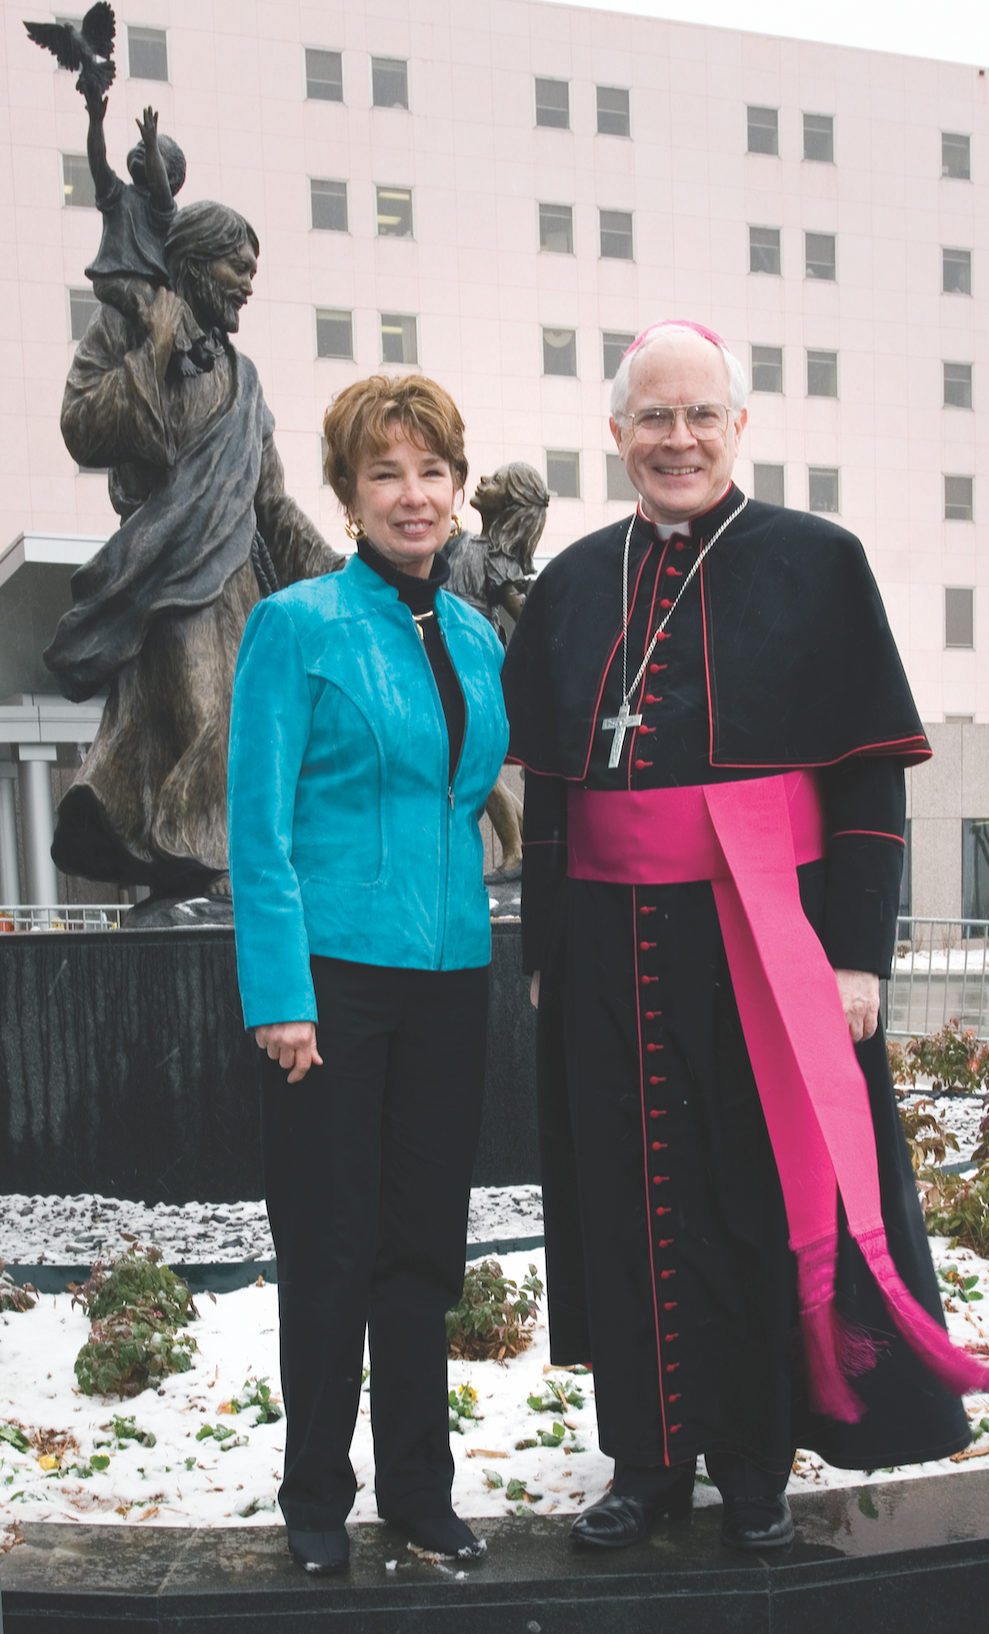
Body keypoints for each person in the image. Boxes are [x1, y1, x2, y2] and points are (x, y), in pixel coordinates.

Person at [501, 320, 989, 1554]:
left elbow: (870, 784)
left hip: (763, 944)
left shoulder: (815, 563)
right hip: (607, 945)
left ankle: (755, 1460)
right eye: (650, 419)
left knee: (747, 1195)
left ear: (737, 427)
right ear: (615, 433)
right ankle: (645, 1462)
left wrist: (860, 955)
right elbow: (553, 804)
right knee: (625, 1195)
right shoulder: (568, 585)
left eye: (697, 416)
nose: (675, 440)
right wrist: (545, 955)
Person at [227, 374, 509, 1575]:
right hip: (332, 985)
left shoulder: (478, 633)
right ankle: (311, 1499)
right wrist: (279, 991)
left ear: (455, 488)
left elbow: (480, 800)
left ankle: (418, 1488)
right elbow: (256, 824)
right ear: (347, 493)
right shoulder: (295, 625)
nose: (414, 493)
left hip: (452, 971)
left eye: (432, 470)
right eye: (386, 472)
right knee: (333, 1243)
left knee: (423, 1250)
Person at [45, 200, 342, 896]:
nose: (246, 282)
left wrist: (333, 572)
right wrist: (152, 344)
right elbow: (84, 427)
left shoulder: (245, 381)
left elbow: (270, 503)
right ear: (192, 263)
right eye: (235, 266)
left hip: (238, 584)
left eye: (251, 270)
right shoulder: (126, 325)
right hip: (166, 578)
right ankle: (201, 870)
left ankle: (227, 873)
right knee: (207, 722)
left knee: (252, 726)